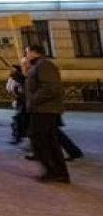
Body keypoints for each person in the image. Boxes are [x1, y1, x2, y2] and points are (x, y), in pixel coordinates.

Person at [24, 45, 70, 183]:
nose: (26, 55)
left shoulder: (44, 65)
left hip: (45, 109)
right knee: (48, 141)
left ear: (34, 52)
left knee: (41, 140)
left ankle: (55, 170)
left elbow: (50, 88)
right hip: (42, 109)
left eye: (27, 52)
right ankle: (57, 171)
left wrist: (33, 99)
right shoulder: (38, 66)